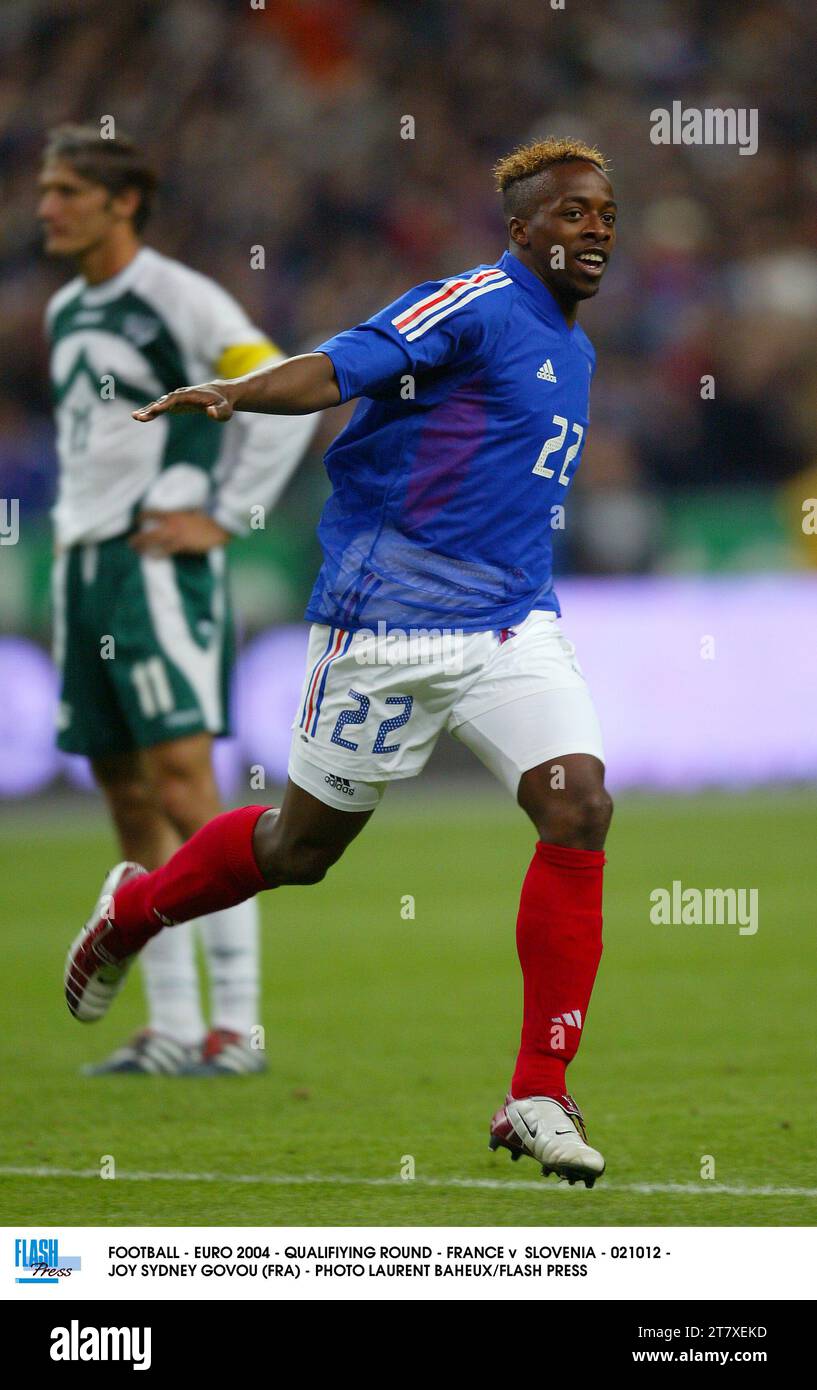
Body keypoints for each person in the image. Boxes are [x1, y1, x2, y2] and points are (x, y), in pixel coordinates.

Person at [65, 137, 615, 1184]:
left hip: (510, 625)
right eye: (573, 214)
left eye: (605, 214)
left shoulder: (574, 348)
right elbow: (340, 362)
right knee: (299, 849)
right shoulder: (466, 304)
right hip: (383, 627)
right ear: (521, 231)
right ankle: (133, 911)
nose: (595, 230)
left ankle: (537, 1090)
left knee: (578, 804)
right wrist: (239, 394)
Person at [41, 124, 317, 1075]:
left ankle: (235, 1029)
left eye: (67, 190)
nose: (46, 207)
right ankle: (169, 1024)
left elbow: (281, 380)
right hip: (81, 565)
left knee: (185, 780)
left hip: (158, 564)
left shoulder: (179, 296)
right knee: (123, 792)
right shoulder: (66, 309)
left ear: (122, 203)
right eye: (46, 189)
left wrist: (230, 516)